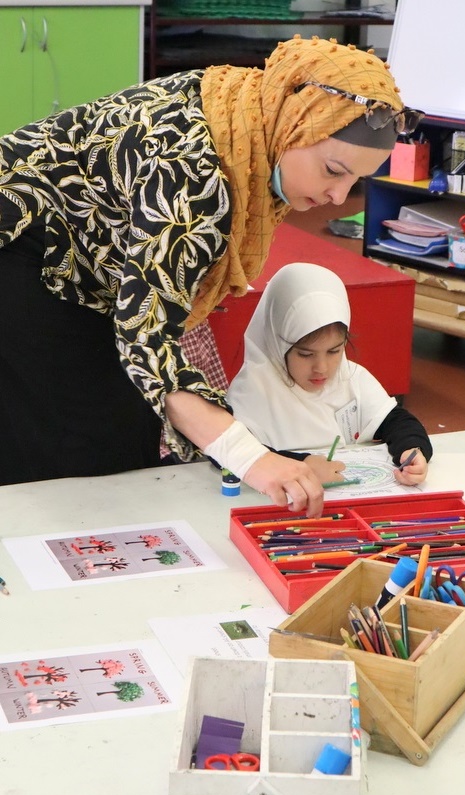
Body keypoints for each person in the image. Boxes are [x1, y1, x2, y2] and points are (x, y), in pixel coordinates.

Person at [0, 34, 423, 513]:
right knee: (78, 432)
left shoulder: (254, 115)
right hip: (23, 249)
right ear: (295, 127)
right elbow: (145, 337)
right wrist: (255, 460)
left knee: (131, 419)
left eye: (356, 181)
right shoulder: (193, 169)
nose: (338, 198)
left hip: (85, 255)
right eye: (332, 171)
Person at [227, 262, 432, 484]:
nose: (322, 368)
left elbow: (396, 420)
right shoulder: (253, 390)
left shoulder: (349, 378)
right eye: (305, 355)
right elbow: (230, 453)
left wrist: (411, 449)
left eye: (334, 351)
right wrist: (302, 465)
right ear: (276, 344)